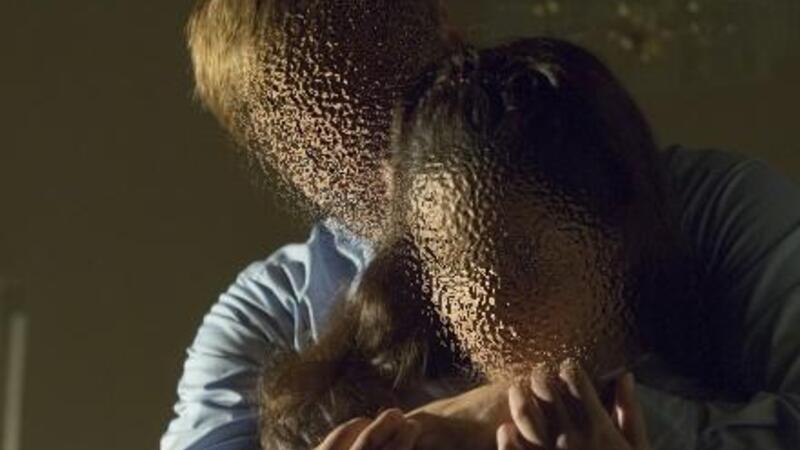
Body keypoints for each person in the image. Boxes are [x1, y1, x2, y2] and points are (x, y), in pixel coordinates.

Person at [163, 2, 800, 450]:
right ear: (279, 160)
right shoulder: (266, 318)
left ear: (449, 43)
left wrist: (502, 412)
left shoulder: (717, 207)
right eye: (320, 133)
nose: (380, 148)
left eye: (390, 82)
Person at [258, 40, 671, 450]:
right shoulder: (369, 417)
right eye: (451, 264)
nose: (486, 309)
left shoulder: (690, 417)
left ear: (612, 250)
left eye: (522, 263)